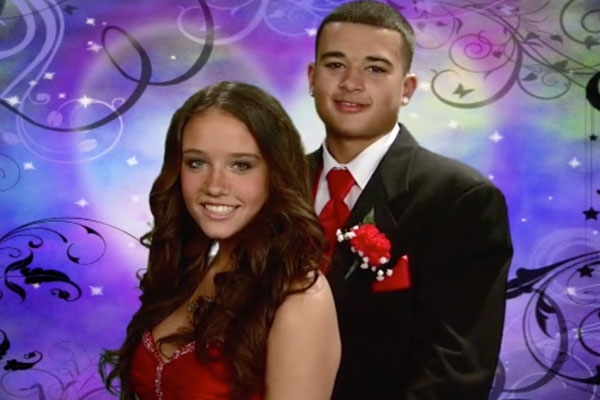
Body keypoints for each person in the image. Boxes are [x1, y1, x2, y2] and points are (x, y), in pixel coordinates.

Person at [307, 2, 513, 399]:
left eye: (375, 68)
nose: (351, 82)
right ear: (312, 78)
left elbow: (456, 367)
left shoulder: (460, 199)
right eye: (335, 65)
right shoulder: (275, 184)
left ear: (407, 88)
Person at [100, 81, 341, 400]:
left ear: (276, 172)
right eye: (196, 162)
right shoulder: (186, 273)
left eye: (240, 165)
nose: (215, 185)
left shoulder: (300, 297)